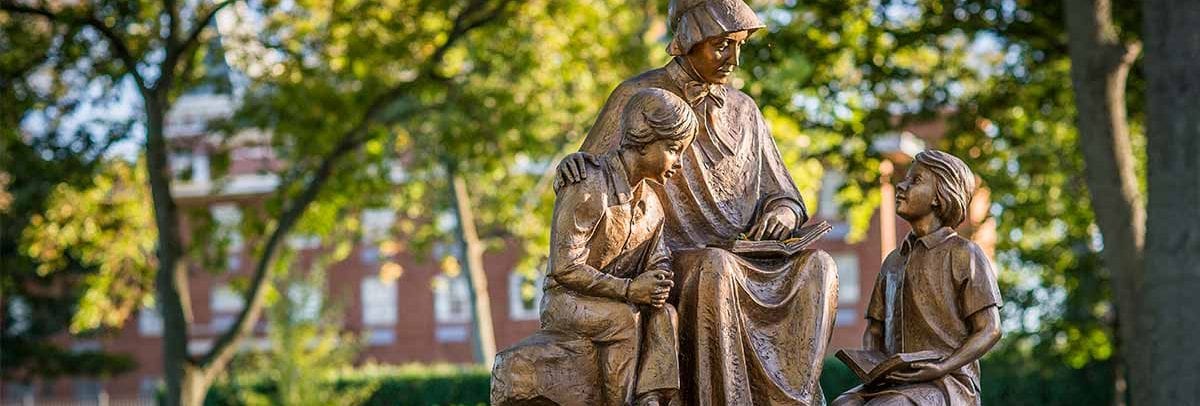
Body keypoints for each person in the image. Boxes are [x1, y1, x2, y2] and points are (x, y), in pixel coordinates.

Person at [555, 0, 838, 404]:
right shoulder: (638, 96)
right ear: (689, 40)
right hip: (674, 257)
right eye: (722, 45)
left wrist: (782, 212)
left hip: (748, 254)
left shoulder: (745, 110)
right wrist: (573, 164)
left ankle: (793, 398)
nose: (734, 59)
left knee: (820, 268)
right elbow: (597, 169)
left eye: (739, 45)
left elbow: (783, 191)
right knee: (714, 266)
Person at [492, 88, 698, 406]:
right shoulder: (589, 185)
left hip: (614, 298)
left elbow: (659, 257)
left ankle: (651, 399)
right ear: (644, 138)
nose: (680, 162)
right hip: (567, 301)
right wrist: (630, 289)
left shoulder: (653, 205)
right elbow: (565, 267)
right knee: (623, 319)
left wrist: (657, 280)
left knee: (665, 315)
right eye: (673, 149)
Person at [833, 150, 1002, 406]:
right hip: (891, 382)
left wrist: (942, 367)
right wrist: (872, 366)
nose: (902, 185)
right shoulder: (892, 261)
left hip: (946, 383)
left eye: (916, 181)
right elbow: (875, 329)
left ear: (939, 196)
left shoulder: (964, 254)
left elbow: (990, 329)